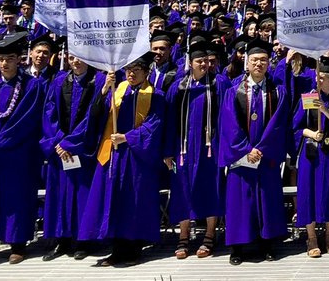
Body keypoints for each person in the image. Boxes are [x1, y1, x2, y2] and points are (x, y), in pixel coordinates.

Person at [79, 49, 167, 267]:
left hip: (137, 158)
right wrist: (103, 91)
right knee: (114, 200)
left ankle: (133, 249)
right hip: (113, 155)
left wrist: (127, 137)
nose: (131, 74)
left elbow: (154, 127)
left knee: (133, 202)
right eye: (128, 69)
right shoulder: (117, 90)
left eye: (136, 70)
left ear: (147, 72)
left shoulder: (155, 95)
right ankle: (118, 249)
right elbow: (96, 116)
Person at [0, 31, 45, 264]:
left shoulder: (32, 86)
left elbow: (28, 119)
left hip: (18, 153)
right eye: (1, 59)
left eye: (10, 58)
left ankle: (17, 244)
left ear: (20, 59)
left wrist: (5, 143)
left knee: (16, 198)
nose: (5, 63)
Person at [220, 38, 290, 265]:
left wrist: (261, 149)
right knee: (240, 203)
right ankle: (237, 249)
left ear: (269, 63)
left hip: (266, 158)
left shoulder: (278, 92)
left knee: (266, 202)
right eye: (254, 60)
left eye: (263, 60)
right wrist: (246, 150)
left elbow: (279, 125)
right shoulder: (233, 92)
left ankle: (267, 245)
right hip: (241, 160)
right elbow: (229, 126)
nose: (259, 64)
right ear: (246, 64)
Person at [164, 37, 226, 260]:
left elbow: (227, 118)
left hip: (211, 148)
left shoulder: (219, 84)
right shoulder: (178, 87)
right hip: (183, 149)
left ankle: (209, 235)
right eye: (199, 60)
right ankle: (184, 236)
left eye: (206, 61)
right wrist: (168, 151)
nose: (203, 64)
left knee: (211, 188)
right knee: (182, 189)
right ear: (189, 62)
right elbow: (169, 120)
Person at [40, 52, 103, 262]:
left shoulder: (99, 81)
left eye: (80, 57)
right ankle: (61, 240)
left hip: (83, 150)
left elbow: (94, 117)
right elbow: (49, 114)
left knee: (82, 196)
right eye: (71, 57)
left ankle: (83, 241)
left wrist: (70, 143)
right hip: (60, 151)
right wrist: (58, 142)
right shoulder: (58, 81)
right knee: (60, 195)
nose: (75, 62)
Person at [293, 56, 329, 258]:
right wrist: (311, 134)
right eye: (317, 77)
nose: (318, 81)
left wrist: (325, 111)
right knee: (309, 192)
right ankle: (311, 238)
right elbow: (296, 127)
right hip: (311, 153)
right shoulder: (309, 96)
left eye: (323, 77)